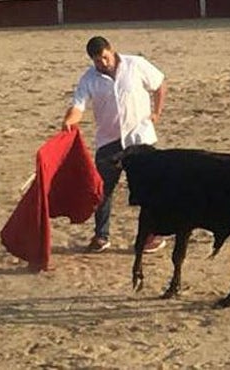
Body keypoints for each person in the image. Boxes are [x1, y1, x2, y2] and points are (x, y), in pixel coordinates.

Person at [61, 36, 168, 254]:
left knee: (148, 189)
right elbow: (78, 106)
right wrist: (69, 121)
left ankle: (152, 235)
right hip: (109, 141)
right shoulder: (88, 79)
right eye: (98, 61)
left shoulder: (135, 64)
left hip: (140, 138)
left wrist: (157, 112)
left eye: (105, 58)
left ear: (112, 51)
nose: (103, 64)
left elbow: (159, 84)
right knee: (102, 189)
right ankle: (101, 236)